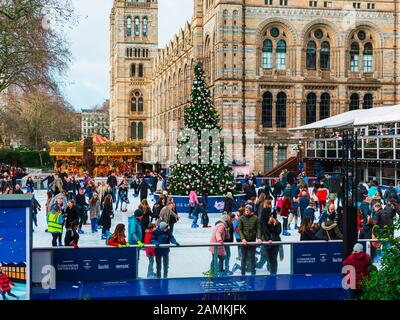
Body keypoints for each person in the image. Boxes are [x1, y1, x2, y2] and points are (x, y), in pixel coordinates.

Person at [238, 205, 263, 276]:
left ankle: (253, 272)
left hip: (252, 240)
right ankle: (243, 273)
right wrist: (243, 239)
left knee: (252, 257)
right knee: (244, 257)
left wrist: (259, 237)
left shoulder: (255, 218)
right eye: (246, 209)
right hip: (244, 242)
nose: (246, 211)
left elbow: (258, 229)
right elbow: (240, 230)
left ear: (251, 211)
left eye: (248, 209)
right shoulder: (241, 218)